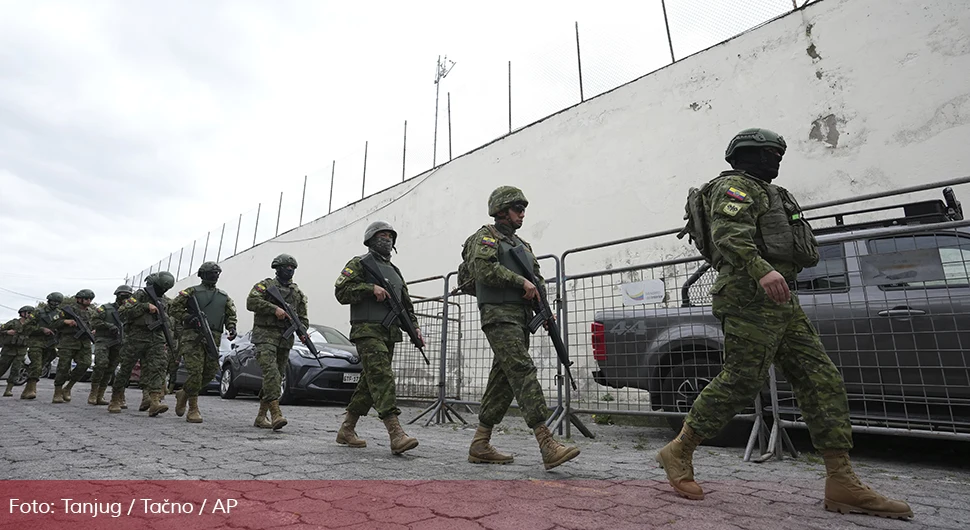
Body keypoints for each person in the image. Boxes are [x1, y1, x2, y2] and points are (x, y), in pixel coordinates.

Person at [657, 128, 912, 519]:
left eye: (779, 154)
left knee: (821, 377)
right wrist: (762, 270)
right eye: (770, 154)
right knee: (742, 379)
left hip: (781, 298)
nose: (776, 161)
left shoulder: (772, 192)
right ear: (747, 155)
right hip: (747, 293)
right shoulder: (735, 188)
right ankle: (680, 449)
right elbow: (729, 234)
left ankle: (841, 481)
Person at [460, 186, 580, 470]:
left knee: (503, 378)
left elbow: (535, 279)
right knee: (522, 369)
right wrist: (519, 282)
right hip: (498, 314)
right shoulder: (486, 237)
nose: (522, 213)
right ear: (501, 211)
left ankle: (480, 443)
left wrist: (544, 308)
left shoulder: (523, 245)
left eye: (524, 208)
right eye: (517, 208)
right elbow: (483, 270)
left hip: (522, 315)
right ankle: (546, 442)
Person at [334, 221, 422, 454]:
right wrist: (369, 289)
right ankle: (396, 433)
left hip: (389, 332)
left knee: (369, 382)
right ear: (371, 239)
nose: (387, 240)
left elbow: (405, 303)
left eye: (390, 236)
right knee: (382, 377)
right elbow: (341, 291)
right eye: (382, 236)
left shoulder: (395, 271)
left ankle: (347, 429)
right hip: (367, 331)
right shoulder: (360, 263)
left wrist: (415, 328)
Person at [169, 262, 237, 423]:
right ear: (203, 274)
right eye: (212, 273)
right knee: (195, 372)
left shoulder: (223, 296)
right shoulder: (191, 292)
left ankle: (184, 392)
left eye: (217, 273)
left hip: (213, 337)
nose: (215, 276)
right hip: (193, 338)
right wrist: (188, 318)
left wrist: (232, 327)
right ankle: (193, 408)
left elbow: (230, 314)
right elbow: (173, 309)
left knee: (211, 372)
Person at [246, 254, 308, 430]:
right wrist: (274, 309)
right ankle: (275, 414)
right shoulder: (266, 286)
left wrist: (303, 331)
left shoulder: (297, 293)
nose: (289, 270)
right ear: (277, 268)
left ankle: (260, 417)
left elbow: (303, 317)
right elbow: (251, 302)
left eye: (292, 267)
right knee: (272, 374)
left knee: (277, 376)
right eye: (286, 267)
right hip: (265, 337)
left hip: (285, 340)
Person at [108, 272, 176, 416]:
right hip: (136, 338)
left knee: (158, 368)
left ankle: (155, 401)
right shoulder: (139, 295)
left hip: (156, 338)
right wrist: (144, 306)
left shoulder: (165, 301)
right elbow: (122, 312)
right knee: (126, 368)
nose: (163, 291)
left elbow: (171, 321)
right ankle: (115, 398)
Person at [89, 285, 133, 406]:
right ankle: (93, 392)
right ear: (117, 295)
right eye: (122, 295)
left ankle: (101, 394)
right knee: (101, 364)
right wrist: (108, 326)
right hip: (104, 339)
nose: (124, 298)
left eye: (127, 295)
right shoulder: (106, 308)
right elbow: (94, 321)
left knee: (111, 368)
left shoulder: (130, 311)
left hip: (120, 342)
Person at [51, 289, 97, 403]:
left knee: (85, 364)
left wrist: (94, 330)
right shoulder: (68, 310)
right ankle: (57, 391)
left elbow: (95, 324)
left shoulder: (91, 312)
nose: (88, 301)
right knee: (63, 367)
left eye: (90, 299)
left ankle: (68, 387)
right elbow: (53, 323)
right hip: (68, 342)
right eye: (86, 299)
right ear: (79, 299)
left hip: (84, 343)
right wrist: (65, 321)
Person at [20, 292, 65, 400]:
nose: (55, 304)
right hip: (37, 343)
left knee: (40, 367)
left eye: (57, 302)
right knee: (36, 365)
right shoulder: (38, 312)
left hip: (51, 344)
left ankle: (27, 388)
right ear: (48, 301)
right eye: (53, 301)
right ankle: (31, 390)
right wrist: (41, 329)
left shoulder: (61, 314)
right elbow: (26, 327)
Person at [0, 306, 32, 397]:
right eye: (28, 313)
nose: (30, 315)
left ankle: (8, 390)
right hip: (9, 349)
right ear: (22, 313)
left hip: (21, 350)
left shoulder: (31, 325)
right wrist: (7, 332)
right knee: (2, 367)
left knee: (16, 369)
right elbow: (1, 329)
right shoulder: (13, 323)